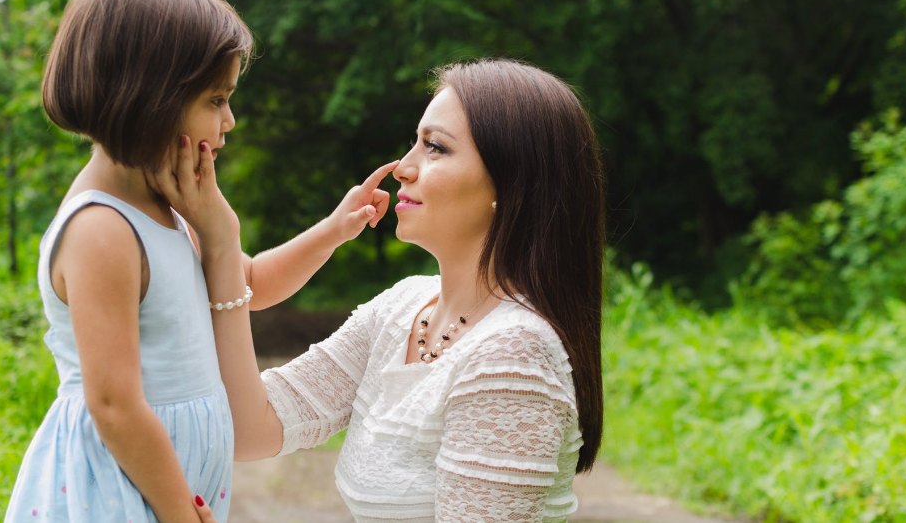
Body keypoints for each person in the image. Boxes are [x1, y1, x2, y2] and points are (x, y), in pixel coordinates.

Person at [5, 0, 394, 523]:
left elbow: (250, 284)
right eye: (216, 100)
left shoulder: (174, 209)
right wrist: (178, 514)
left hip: (170, 491)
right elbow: (114, 405)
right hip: (119, 490)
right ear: (146, 97)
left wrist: (334, 229)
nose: (229, 121)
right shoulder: (102, 230)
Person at [171, 59, 606, 523]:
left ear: (513, 183)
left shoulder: (512, 356)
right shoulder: (402, 308)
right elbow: (249, 426)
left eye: (436, 148)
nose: (404, 168)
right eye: (415, 143)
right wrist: (220, 245)